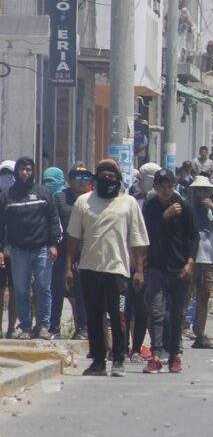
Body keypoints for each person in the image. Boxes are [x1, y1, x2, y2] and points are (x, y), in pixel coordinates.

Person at [64, 159, 149, 377]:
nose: (107, 179)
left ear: (118, 179)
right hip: (89, 269)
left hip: (118, 271)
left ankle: (118, 359)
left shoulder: (129, 203)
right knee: (93, 317)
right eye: (103, 176)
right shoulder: (84, 202)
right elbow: (73, 238)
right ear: (96, 178)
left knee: (118, 315)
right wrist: (68, 268)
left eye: (111, 176)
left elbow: (138, 240)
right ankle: (98, 361)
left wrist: (139, 270)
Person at [141, 169, 198, 374]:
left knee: (176, 313)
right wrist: (165, 215)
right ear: (155, 188)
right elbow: (146, 232)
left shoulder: (184, 206)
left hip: (179, 269)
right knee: (157, 312)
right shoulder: (150, 206)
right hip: (156, 268)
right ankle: (156, 355)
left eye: (169, 187)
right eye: (162, 187)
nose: (166, 191)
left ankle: (175, 355)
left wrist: (190, 262)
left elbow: (194, 236)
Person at [0, 157, 62, 339]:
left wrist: (53, 244)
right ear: (17, 171)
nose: (25, 173)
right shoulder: (7, 196)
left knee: (43, 287)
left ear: (33, 171)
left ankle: (43, 325)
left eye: (28, 169)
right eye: (22, 169)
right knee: (21, 290)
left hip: (42, 249)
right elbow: (1, 224)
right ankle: (25, 326)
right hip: (18, 251)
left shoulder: (43, 193)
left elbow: (53, 220)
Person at [187, 176, 213, 350]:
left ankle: (200, 333)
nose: (202, 195)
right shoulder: (187, 208)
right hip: (191, 260)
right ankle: (179, 330)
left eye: (205, 191)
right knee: (185, 297)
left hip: (209, 260)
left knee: (203, 298)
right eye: (198, 191)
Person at [50, 166, 91, 339]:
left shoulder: (92, 198)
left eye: (85, 178)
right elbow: (54, 223)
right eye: (78, 177)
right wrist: (53, 244)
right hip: (62, 250)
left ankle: (82, 328)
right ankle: (53, 327)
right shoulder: (59, 198)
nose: (82, 181)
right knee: (58, 289)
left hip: (84, 251)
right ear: (69, 180)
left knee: (82, 290)